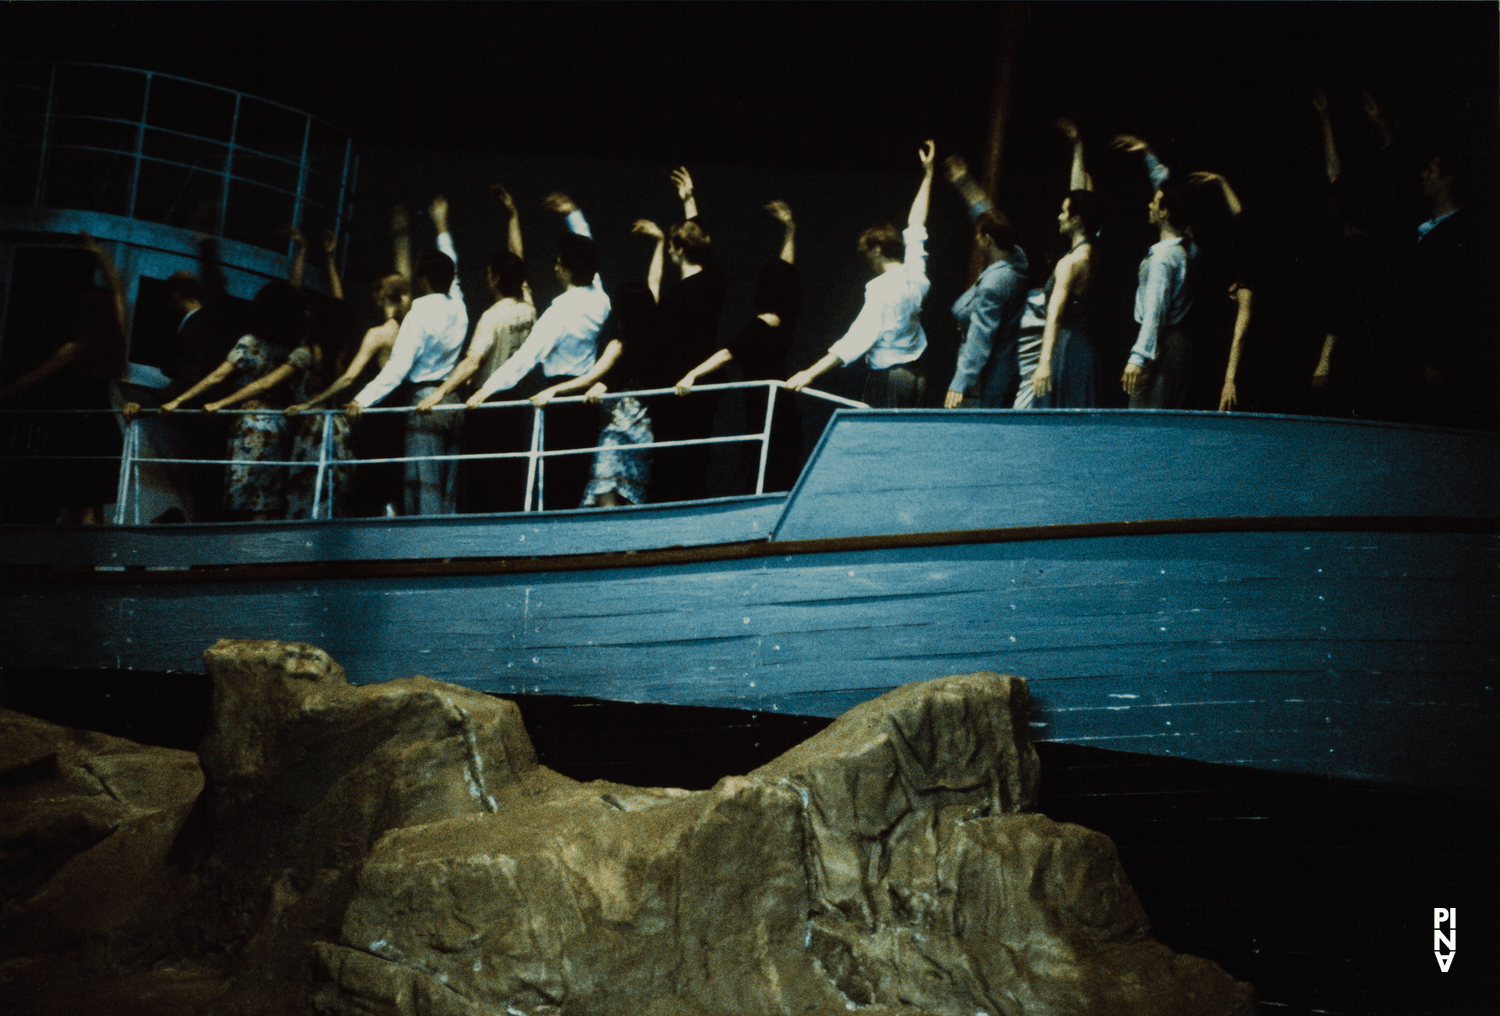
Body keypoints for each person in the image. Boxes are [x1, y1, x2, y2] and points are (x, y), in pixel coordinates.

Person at [467, 192, 611, 511]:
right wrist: (574, 213)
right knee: (579, 471)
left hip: (559, 398)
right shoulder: (600, 299)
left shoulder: (559, 312)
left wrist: (487, 390)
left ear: (566, 269)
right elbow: (591, 258)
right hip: (586, 395)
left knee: (555, 475)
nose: (556, 266)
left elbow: (524, 358)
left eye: (559, 262)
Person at [202, 232, 356, 518]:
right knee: (329, 498)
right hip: (337, 428)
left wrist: (222, 403)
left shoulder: (304, 353)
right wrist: (328, 259)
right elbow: (338, 308)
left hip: (309, 431)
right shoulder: (336, 354)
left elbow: (265, 383)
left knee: (302, 498)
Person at [344, 197, 469, 516]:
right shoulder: (459, 304)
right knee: (448, 480)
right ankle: (446, 552)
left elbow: (398, 367)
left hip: (426, 400)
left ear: (423, 280)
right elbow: (450, 265)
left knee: (423, 481)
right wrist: (441, 226)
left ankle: (427, 551)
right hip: (453, 398)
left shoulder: (418, 312)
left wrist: (363, 398)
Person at [415, 184, 536, 512]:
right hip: (516, 401)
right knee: (511, 474)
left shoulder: (492, 317)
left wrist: (439, 393)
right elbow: (518, 261)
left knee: (483, 478)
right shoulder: (528, 307)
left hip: (487, 403)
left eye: (488, 275)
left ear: (495, 279)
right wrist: (513, 216)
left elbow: (471, 362)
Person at [789, 140, 936, 408]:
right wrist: (928, 175)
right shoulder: (916, 273)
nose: (867, 259)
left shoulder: (880, 288)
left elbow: (854, 341)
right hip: (916, 378)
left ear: (877, 250)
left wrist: (808, 373)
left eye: (867, 252)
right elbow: (916, 225)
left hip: (890, 380)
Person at [287, 205, 413, 515]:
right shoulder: (411, 325)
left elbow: (347, 378)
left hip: (380, 412)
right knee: (394, 478)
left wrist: (308, 405)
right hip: (403, 408)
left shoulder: (377, 334)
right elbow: (405, 281)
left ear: (378, 296)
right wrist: (401, 237)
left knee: (371, 478)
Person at [675, 200, 805, 493]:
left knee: (761, 471)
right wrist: (790, 230)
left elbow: (725, 354)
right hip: (784, 405)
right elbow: (786, 272)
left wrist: (691, 375)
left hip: (763, 406)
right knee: (784, 474)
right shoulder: (786, 321)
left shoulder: (756, 328)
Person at [0, 232, 127, 524]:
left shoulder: (75, 348)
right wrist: (100, 254)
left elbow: (33, 378)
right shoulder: (117, 340)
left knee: (70, 506)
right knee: (92, 505)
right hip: (105, 431)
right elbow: (118, 291)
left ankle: (66, 566)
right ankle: (87, 567)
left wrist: (2, 395)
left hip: (77, 431)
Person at [161, 275, 306, 521]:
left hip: (250, 425)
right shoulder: (295, 349)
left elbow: (216, 377)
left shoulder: (250, 344)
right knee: (268, 501)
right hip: (282, 425)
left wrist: (178, 400)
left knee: (247, 502)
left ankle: (243, 558)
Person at [526, 281, 664, 507]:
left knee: (604, 486)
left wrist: (553, 389)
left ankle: (611, 536)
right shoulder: (655, 339)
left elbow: (590, 377)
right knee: (632, 490)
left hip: (619, 429)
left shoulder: (619, 344)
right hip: (645, 428)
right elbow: (654, 283)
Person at [639, 167, 729, 503]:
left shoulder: (677, 296)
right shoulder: (716, 281)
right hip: (705, 385)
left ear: (677, 249)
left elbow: (651, 292)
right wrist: (689, 201)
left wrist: (658, 244)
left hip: (676, 387)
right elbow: (702, 241)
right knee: (696, 458)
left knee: (670, 460)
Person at [939, 154, 1031, 409]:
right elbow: (986, 213)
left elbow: (981, 339)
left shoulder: (995, 284)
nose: (976, 239)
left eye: (979, 237)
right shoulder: (1017, 256)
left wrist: (960, 382)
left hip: (985, 382)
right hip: (1002, 375)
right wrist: (964, 183)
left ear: (988, 241)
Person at [1114, 134, 1199, 409]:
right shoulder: (1186, 246)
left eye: (1155, 203)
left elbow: (1154, 309)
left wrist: (1138, 357)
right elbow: (1171, 195)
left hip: (1161, 347)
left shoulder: (1163, 257)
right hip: (1180, 347)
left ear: (1164, 213)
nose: (1150, 205)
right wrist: (1148, 154)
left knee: (1144, 428)